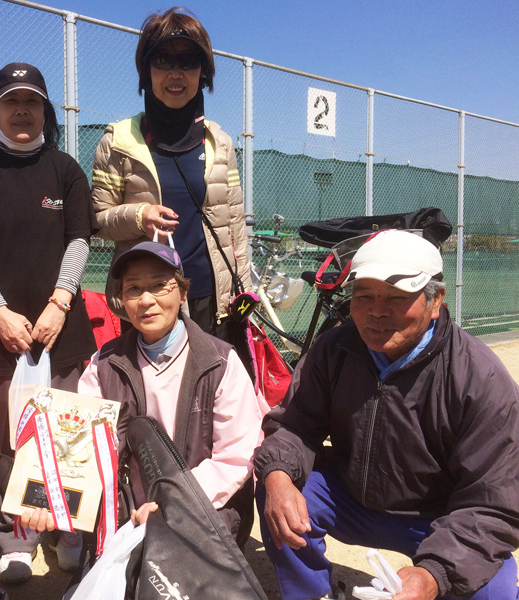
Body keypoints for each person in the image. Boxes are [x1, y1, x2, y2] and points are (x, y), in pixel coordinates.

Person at [253, 229, 519, 600]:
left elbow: (492, 504)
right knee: (282, 489)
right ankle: (311, 593)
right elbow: (294, 426)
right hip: (350, 500)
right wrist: (278, 477)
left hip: (436, 516)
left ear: (436, 300)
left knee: (495, 590)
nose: (377, 310)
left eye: (397, 297)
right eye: (364, 296)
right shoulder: (334, 349)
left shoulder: (479, 378)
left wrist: (433, 574)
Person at [0, 62, 98, 583]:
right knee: (9, 439)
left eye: (32, 101)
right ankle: (16, 536)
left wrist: (60, 302)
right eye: (11, 102)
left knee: (65, 434)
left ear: (46, 112)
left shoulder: (65, 169)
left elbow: (79, 240)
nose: (22, 111)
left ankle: (67, 530)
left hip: (61, 331)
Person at [25, 241, 268, 552]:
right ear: (122, 300)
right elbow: (80, 445)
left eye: (158, 285)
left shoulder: (219, 362)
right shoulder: (105, 364)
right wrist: (51, 496)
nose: (147, 299)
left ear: (183, 292)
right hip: (126, 510)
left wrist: (170, 501)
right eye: (134, 289)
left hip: (201, 505)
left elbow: (235, 454)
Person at [91, 7, 252, 369]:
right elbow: (97, 219)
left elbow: (235, 223)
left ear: (203, 72)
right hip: (149, 299)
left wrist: (242, 288)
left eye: (189, 61)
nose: (176, 73)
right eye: (163, 60)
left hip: (211, 298)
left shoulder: (221, 142)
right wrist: (139, 216)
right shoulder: (117, 140)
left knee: (211, 391)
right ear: (146, 71)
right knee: (150, 394)